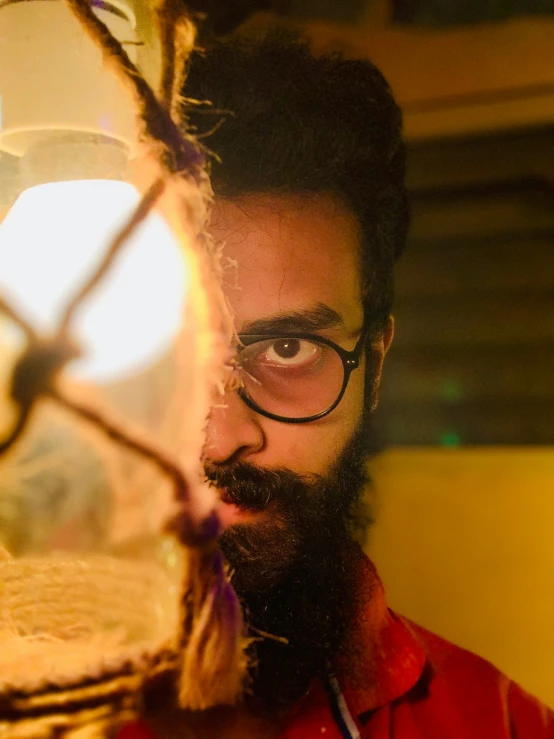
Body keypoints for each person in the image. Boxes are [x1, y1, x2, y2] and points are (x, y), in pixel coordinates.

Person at [175, 33, 554, 738]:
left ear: (374, 365)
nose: (221, 435)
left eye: (289, 347)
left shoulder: (503, 726)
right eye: (167, 349)